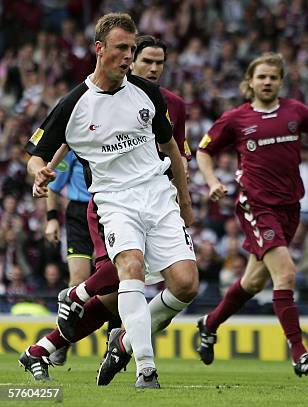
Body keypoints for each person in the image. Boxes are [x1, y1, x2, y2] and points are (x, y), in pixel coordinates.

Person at [21, 14, 197, 389]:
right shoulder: (74, 103)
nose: (129, 58)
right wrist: (39, 171)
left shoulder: (148, 94)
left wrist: (184, 199)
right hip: (113, 200)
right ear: (99, 49)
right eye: (122, 49)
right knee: (128, 269)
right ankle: (145, 369)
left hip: (157, 195)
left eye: (132, 50)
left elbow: (171, 149)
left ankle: (119, 336)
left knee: (185, 285)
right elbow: (37, 150)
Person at [196, 52, 308, 376]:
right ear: (250, 82)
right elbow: (204, 150)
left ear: (280, 82)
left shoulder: (296, 112)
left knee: (252, 281)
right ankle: (299, 353)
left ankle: (209, 324)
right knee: (286, 274)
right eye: (261, 77)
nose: (267, 82)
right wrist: (211, 181)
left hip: (290, 206)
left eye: (273, 77)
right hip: (256, 205)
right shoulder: (236, 118)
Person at [44, 150, 95, 365]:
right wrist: (52, 219)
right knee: (77, 283)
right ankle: (61, 342)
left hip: (111, 210)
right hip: (80, 216)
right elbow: (52, 185)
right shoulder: (73, 148)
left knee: (117, 281)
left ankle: (115, 347)